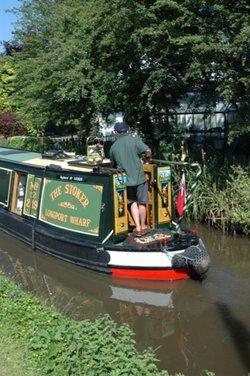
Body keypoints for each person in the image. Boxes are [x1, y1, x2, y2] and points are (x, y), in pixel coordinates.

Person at [109, 121, 152, 237]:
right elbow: (148, 151)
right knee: (142, 202)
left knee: (132, 203)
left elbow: (112, 165)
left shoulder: (113, 147)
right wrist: (147, 160)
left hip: (125, 181)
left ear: (116, 133)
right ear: (126, 130)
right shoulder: (134, 140)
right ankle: (143, 226)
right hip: (140, 179)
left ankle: (137, 227)